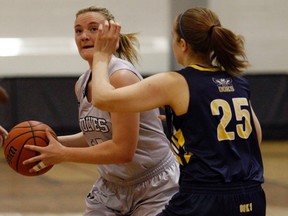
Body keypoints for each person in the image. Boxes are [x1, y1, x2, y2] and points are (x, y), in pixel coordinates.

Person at [90, 7, 266, 216]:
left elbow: (103, 99)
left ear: (182, 44)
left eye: (173, 38)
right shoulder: (237, 81)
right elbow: (255, 136)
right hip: (251, 197)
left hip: (203, 200)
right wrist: (198, 121)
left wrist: (101, 56)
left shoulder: (175, 82)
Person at [23, 6, 179, 216]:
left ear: (109, 35)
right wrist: (52, 142)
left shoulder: (121, 77)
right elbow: (96, 136)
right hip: (112, 186)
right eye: (78, 31)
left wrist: (63, 154)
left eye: (93, 29)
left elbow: (122, 151)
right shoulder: (82, 83)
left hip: (154, 184)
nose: (84, 36)